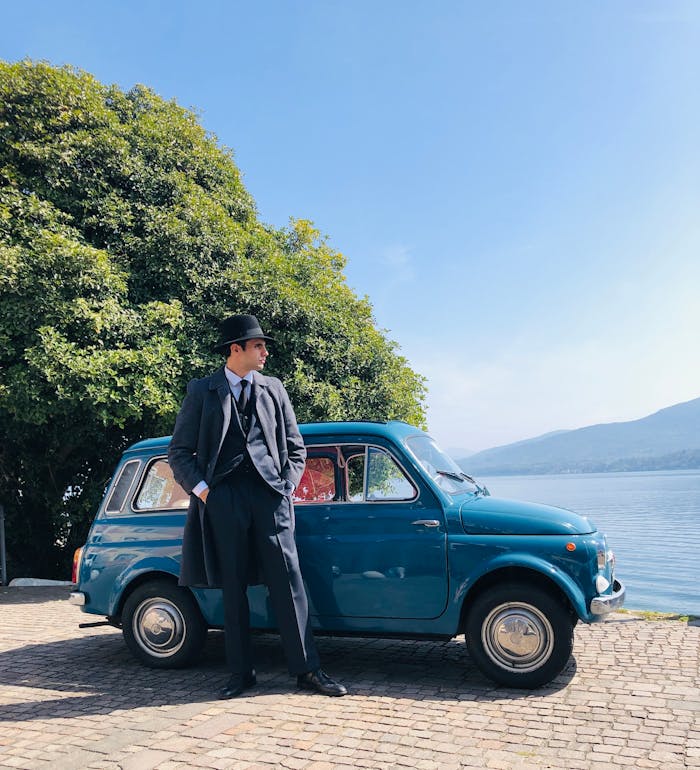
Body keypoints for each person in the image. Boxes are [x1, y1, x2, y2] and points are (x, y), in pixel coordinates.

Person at [168, 314, 347, 698]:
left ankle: (308, 671)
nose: (265, 352)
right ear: (237, 349)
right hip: (224, 499)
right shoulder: (202, 391)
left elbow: (296, 447)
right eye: (258, 346)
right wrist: (204, 493)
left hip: (270, 497)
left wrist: (285, 487)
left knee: (289, 584)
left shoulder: (274, 388)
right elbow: (180, 452)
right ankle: (241, 673)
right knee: (232, 589)